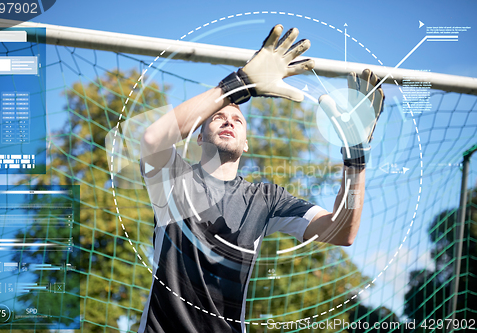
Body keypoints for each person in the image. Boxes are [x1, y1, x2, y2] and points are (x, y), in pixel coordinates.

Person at [137, 24, 384, 333]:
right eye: (218, 117)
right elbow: (152, 138)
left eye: (238, 119)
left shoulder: (265, 199)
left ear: (246, 143)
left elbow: (341, 232)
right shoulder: (173, 178)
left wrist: (356, 161)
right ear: (199, 136)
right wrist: (237, 86)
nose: (229, 119)